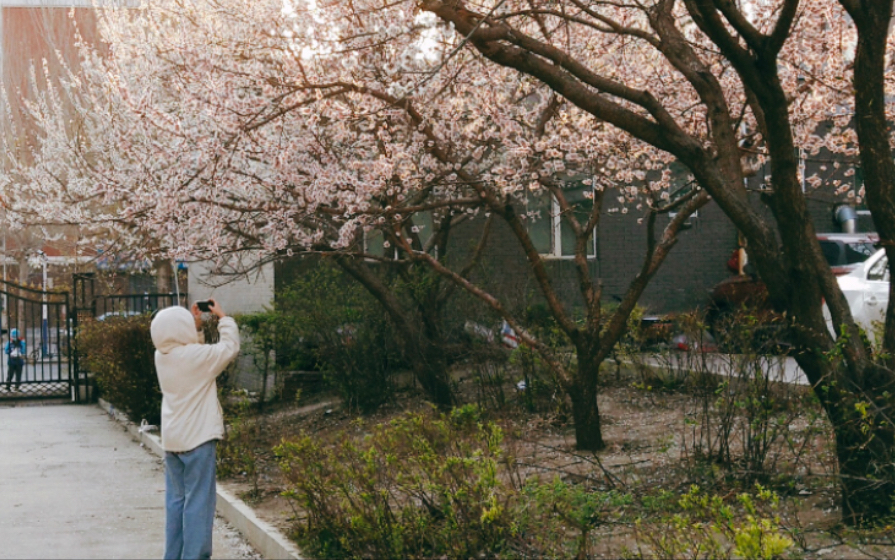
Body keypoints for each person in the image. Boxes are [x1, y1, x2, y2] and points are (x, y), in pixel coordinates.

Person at [151, 298, 240, 560]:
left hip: (173, 442)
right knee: (199, 504)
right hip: (198, 439)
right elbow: (229, 347)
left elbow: (192, 353)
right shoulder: (195, 358)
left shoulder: (162, 356)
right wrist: (224, 318)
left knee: (176, 504)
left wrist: (197, 328)